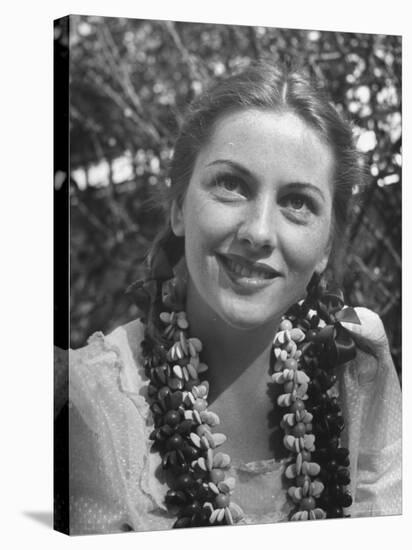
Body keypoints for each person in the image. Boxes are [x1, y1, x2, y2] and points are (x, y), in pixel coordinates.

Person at [56, 62, 401, 535]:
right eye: (231, 185)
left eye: (298, 202)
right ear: (179, 207)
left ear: (326, 248)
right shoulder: (91, 403)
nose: (259, 232)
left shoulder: (355, 371)